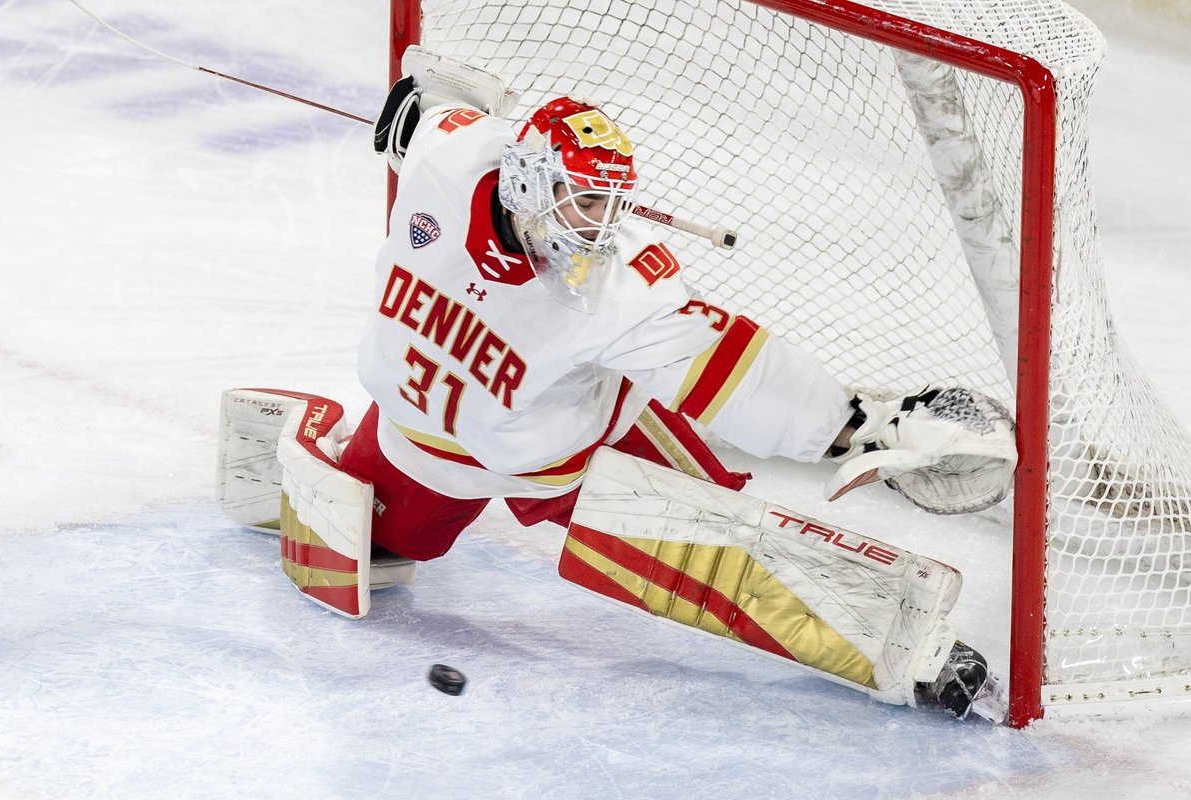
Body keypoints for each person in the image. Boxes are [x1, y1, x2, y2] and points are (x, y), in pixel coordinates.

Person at [220, 61, 1015, 719]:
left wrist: (861, 426)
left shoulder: (622, 284)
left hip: (575, 455)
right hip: (424, 448)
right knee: (367, 555)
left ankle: (903, 644)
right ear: (526, 182)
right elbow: (425, 98)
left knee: (727, 550)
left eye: (611, 202)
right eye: (586, 199)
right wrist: (429, 93)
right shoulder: (451, 156)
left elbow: (728, 366)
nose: (602, 225)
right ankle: (327, 445)